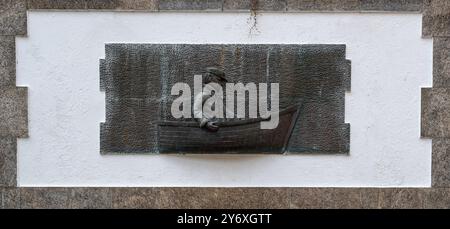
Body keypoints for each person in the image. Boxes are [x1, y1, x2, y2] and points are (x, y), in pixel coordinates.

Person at [193, 67, 229, 131]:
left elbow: (225, 111)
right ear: (210, 78)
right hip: (209, 131)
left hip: (221, 130)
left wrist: (237, 118)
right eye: (219, 80)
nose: (222, 84)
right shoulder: (203, 95)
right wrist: (205, 123)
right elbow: (196, 111)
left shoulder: (216, 97)